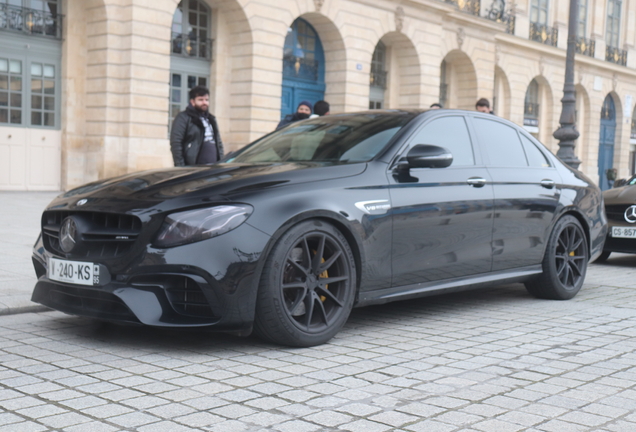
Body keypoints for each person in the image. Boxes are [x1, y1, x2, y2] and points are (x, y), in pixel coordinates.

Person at [170, 86, 224, 166]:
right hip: (193, 168)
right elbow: (176, 143)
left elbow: (219, 143)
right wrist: (181, 167)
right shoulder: (183, 117)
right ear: (192, 102)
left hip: (213, 168)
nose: (204, 103)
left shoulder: (211, 119)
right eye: (200, 100)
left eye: (206, 100)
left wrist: (222, 162)